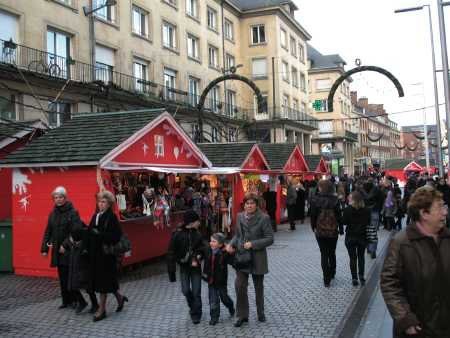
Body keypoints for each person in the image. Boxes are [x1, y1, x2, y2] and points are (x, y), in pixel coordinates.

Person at [381, 186, 450, 338]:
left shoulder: (447, 238)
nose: (445, 212)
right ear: (424, 213)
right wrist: (405, 319)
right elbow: (389, 283)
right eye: (439, 208)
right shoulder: (402, 242)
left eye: (444, 206)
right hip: (418, 329)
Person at [226, 193, 274, 327]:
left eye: (252, 203)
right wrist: (231, 244)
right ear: (244, 205)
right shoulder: (240, 216)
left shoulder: (264, 218)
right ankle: (242, 315)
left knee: (258, 287)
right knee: (240, 285)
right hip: (242, 256)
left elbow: (270, 238)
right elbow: (237, 235)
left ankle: (260, 312)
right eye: (247, 203)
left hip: (257, 258)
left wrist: (253, 244)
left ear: (256, 205)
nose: (249, 206)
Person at [86, 191, 128, 322]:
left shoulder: (112, 217)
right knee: (108, 281)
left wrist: (99, 235)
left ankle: (102, 310)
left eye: (103, 202)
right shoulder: (95, 216)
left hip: (106, 255)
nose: (100, 204)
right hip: (95, 254)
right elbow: (89, 233)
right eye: (99, 201)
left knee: (103, 283)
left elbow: (115, 237)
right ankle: (120, 298)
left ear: (109, 204)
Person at [41, 186, 84, 310]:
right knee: (62, 277)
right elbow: (48, 231)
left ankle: (76, 300)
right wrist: (44, 249)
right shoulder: (52, 214)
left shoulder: (73, 212)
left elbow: (76, 231)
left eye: (60, 197)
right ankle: (66, 301)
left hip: (69, 250)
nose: (58, 200)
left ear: (65, 198)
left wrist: (65, 245)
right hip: (57, 251)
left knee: (70, 277)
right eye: (56, 197)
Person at [167, 210, 205, 324]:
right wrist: (171, 272)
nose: (199, 222)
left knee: (196, 292)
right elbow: (170, 253)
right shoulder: (177, 234)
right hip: (184, 267)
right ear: (192, 222)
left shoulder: (198, 234)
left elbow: (203, 249)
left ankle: (196, 313)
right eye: (198, 221)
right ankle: (193, 306)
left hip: (195, 267)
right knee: (185, 290)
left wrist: (198, 257)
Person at [310, 179, 343, 287]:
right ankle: (332, 272)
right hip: (333, 230)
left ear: (321, 188)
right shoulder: (335, 200)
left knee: (323, 253)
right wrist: (341, 228)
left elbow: (313, 215)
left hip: (320, 230)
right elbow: (339, 215)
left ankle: (326, 279)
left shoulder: (315, 199)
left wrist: (313, 226)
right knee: (332, 252)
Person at [202, 233, 235, 326]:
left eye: (213, 241)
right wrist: (197, 257)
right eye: (210, 241)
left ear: (220, 244)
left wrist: (232, 252)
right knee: (213, 299)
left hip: (221, 281)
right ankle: (214, 317)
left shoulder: (224, 253)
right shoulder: (208, 250)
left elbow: (233, 261)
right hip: (211, 280)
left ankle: (231, 306)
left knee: (224, 298)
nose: (211, 243)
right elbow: (199, 249)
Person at [343, 191, 370, 286]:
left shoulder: (347, 210)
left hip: (350, 236)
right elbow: (369, 223)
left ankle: (354, 278)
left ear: (353, 199)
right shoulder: (366, 210)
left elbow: (344, 222)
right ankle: (361, 276)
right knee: (361, 257)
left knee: (352, 258)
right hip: (362, 236)